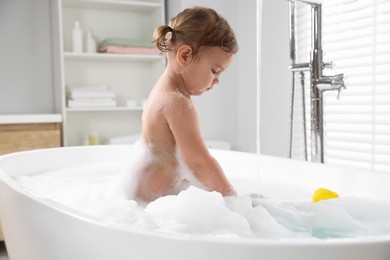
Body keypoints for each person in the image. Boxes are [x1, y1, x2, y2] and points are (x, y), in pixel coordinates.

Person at [114, 6, 238, 202]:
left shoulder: (162, 91)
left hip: (143, 196)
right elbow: (199, 162)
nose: (217, 80)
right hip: (150, 203)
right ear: (185, 56)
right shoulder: (176, 103)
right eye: (215, 71)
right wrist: (234, 199)